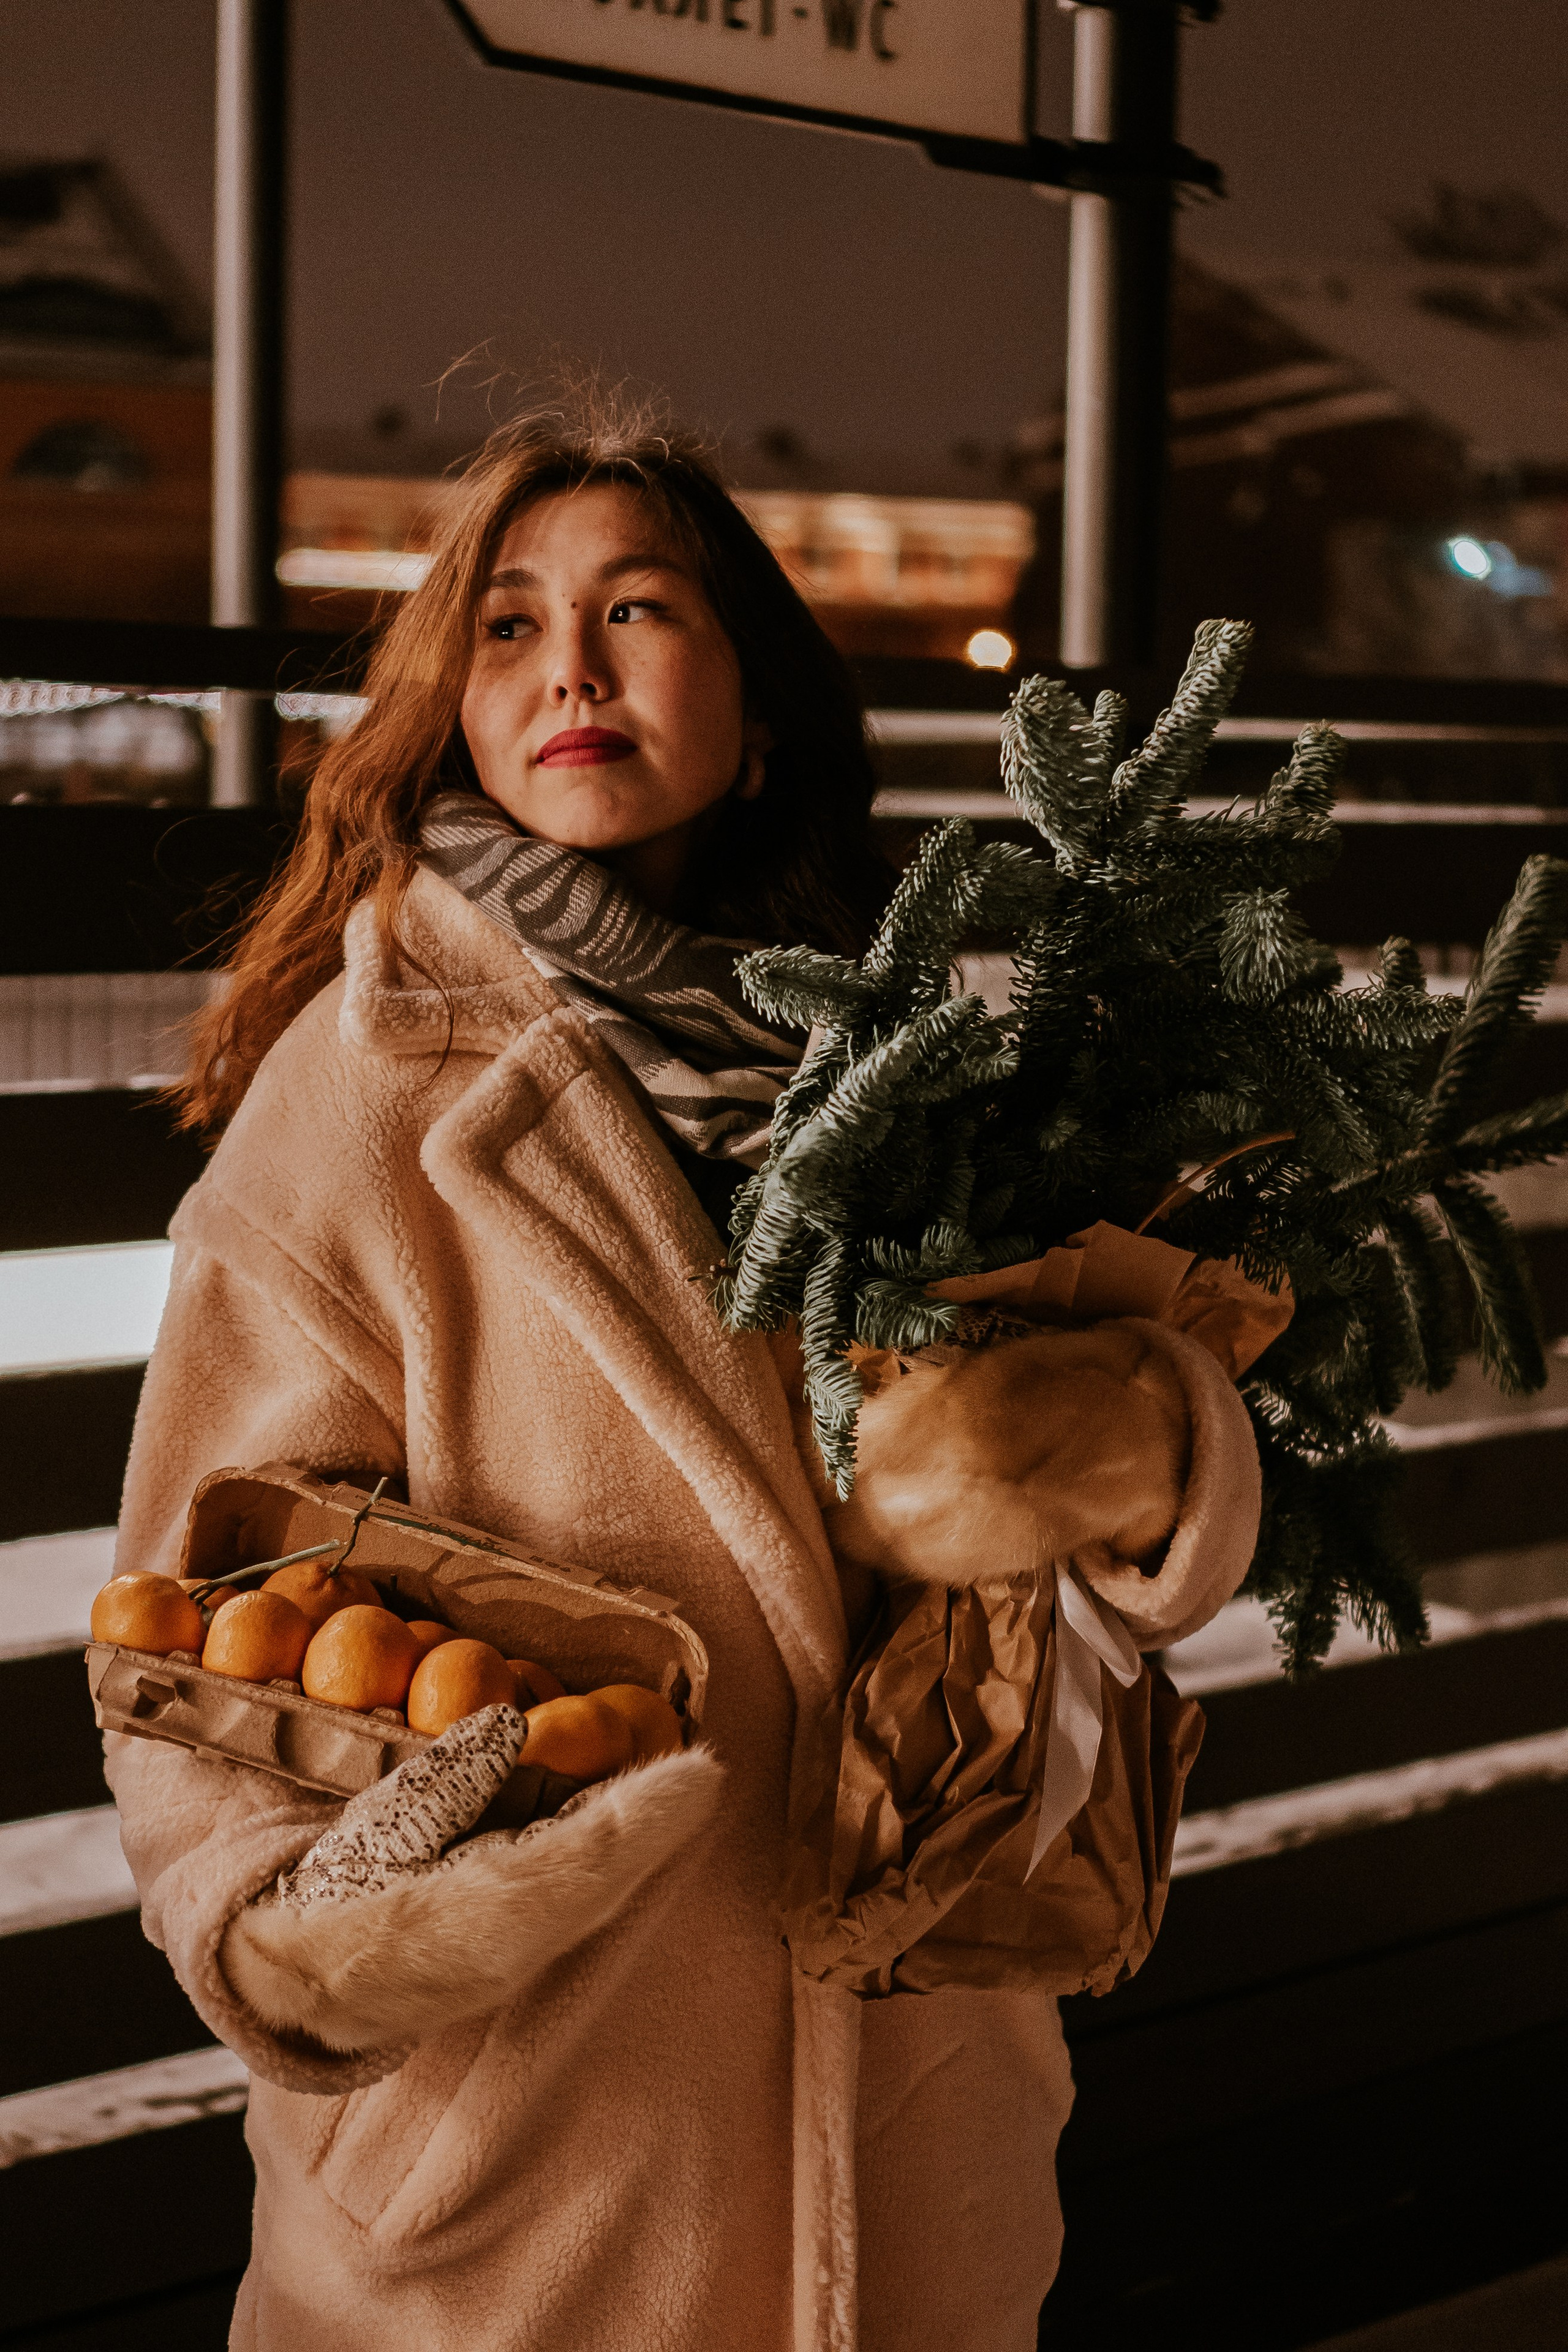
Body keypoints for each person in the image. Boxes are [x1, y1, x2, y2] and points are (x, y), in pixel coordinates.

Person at [104, 401, 1076, 2352]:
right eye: (510, 624)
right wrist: (330, 1943)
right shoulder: (361, 1097)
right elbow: (189, 1625)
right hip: (529, 2159)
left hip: (909, 2108)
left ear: (761, 708)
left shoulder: (905, 1076)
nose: (571, 666)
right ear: (456, 713)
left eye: (637, 609)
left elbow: (1071, 1495)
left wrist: (1152, 1459)